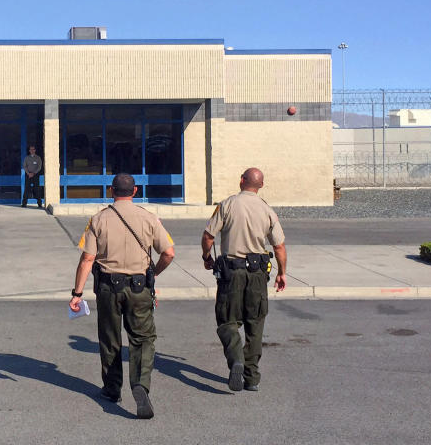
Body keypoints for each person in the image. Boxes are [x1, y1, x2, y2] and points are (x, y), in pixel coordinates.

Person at [69, 173, 175, 419]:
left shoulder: (98, 219)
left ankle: (112, 388)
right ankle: (139, 384)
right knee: (142, 338)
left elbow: (87, 258)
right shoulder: (149, 218)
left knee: (110, 338)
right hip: (139, 287)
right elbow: (168, 253)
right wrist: (153, 275)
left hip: (108, 287)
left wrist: (77, 293)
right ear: (135, 191)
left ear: (110, 190)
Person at [200, 167, 287, 393]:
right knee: (255, 324)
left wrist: (206, 257)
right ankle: (252, 378)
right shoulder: (267, 210)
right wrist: (281, 272)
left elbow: (209, 236)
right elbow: (278, 246)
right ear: (261, 186)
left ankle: (236, 358)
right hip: (258, 274)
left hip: (232, 273)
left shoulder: (227, 205)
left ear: (241, 181)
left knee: (227, 321)